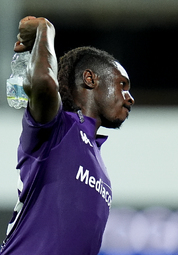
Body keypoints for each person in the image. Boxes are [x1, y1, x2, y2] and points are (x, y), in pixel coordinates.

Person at [0, 16, 134, 255]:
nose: (129, 97)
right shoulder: (58, 127)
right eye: (122, 85)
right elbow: (43, 83)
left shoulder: (96, 156)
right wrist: (45, 29)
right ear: (90, 79)